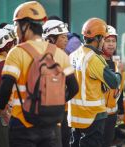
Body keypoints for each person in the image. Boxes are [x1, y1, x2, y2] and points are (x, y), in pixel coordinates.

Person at [0, 1, 78, 147]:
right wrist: (56, 102)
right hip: (52, 126)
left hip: (22, 124)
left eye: (16, 25)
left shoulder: (17, 52)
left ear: (26, 26)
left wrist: (2, 109)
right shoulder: (60, 54)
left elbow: (6, 85)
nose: (15, 30)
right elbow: (74, 87)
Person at [69, 18, 124, 147]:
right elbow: (114, 82)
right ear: (98, 38)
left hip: (75, 116)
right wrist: (119, 72)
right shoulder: (93, 59)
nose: (105, 42)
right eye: (104, 38)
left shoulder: (74, 55)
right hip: (92, 117)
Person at [42, 19, 71, 147]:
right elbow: (73, 87)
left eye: (66, 37)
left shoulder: (61, 55)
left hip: (56, 110)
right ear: (52, 38)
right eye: (63, 37)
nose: (66, 40)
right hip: (55, 111)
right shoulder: (60, 56)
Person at [101, 25, 125, 147]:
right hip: (97, 115)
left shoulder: (118, 64)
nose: (111, 44)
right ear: (101, 42)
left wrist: (121, 110)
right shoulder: (97, 61)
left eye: (113, 41)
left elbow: (119, 89)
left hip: (112, 114)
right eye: (107, 41)